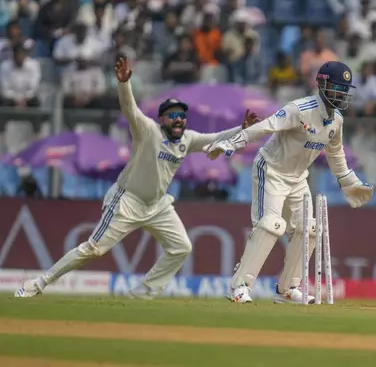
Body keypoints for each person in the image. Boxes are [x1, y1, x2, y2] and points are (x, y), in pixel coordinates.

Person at [14, 57, 259, 300]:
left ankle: (143, 293)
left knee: (181, 247)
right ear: (162, 119)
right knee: (93, 249)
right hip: (127, 201)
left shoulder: (188, 139)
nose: (178, 119)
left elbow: (215, 138)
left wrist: (242, 128)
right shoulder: (148, 131)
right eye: (172, 115)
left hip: (157, 206)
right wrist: (124, 85)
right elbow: (130, 109)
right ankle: (38, 283)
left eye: (181, 116)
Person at [203, 61, 375, 304]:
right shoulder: (299, 109)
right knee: (272, 224)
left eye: (344, 89)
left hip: (297, 178)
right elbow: (265, 127)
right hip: (271, 170)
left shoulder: (337, 120)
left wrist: (349, 182)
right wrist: (232, 142)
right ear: (323, 84)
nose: (341, 94)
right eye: (337, 88)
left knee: (311, 229)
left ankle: (288, 289)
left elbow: (336, 155)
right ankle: (239, 286)